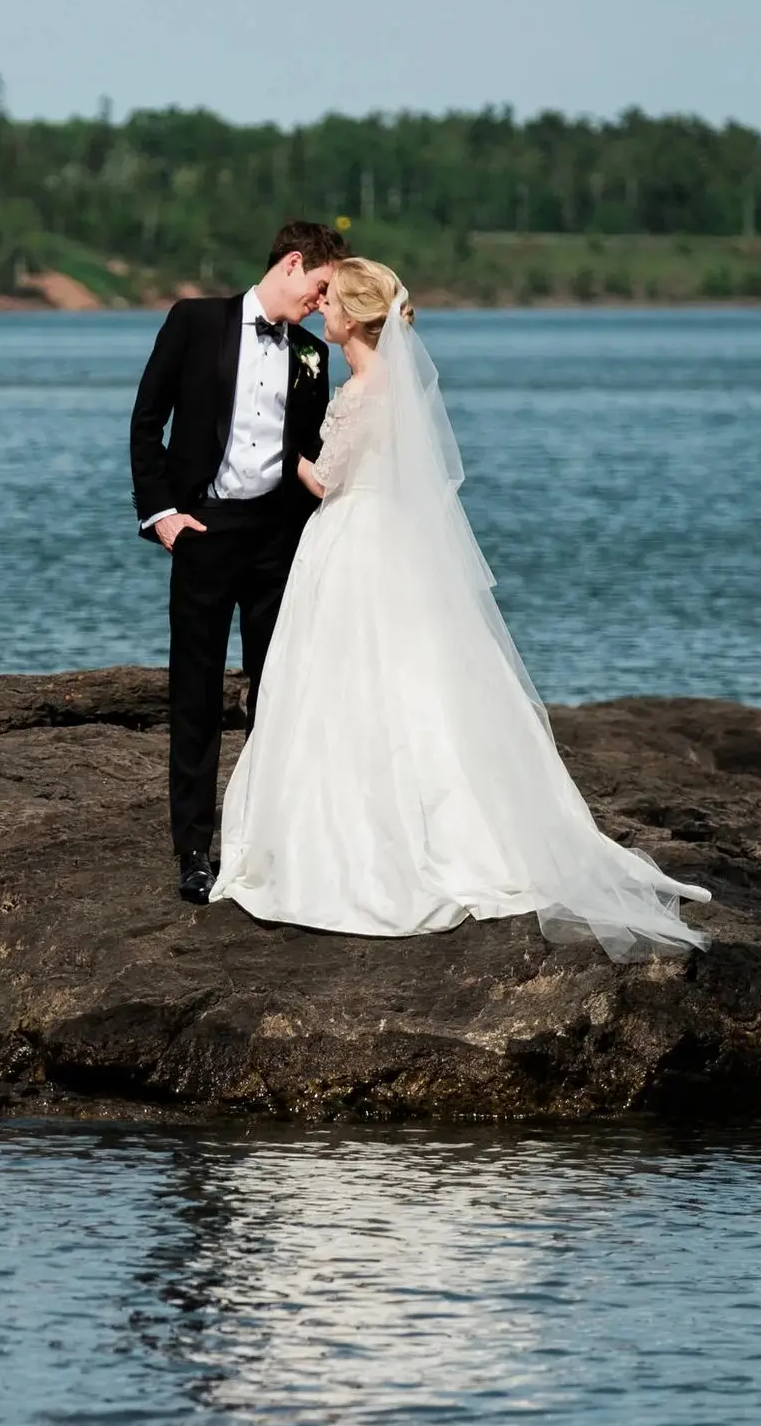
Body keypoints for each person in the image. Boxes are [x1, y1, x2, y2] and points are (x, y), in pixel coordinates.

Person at [209, 258, 710, 960]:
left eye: (331, 303)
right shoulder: (387, 386)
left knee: (342, 679)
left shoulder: (365, 389)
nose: (322, 310)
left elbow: (326, 483)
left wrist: (281, 447)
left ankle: (351, 839)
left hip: (351, 537)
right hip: (388, 540)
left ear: (352, 317)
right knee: (411, 676)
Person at [129, 220, 350, 905]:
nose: (319, 303)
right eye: (318, 288)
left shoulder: (314, 355)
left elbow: (312, 454)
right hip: (203, 530)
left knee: (275, 692)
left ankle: (265, 842)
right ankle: (193, 850)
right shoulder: (195, 322)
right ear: (291, 264)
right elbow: (146, 420)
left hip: (276, 540)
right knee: (193, 694)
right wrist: (163, 514)